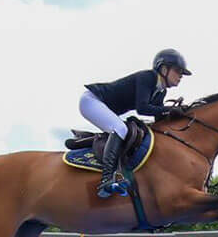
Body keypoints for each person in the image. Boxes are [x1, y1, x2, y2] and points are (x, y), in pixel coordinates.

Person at [81, 49, 192, 198]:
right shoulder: (149, 77)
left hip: (102, 105)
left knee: (130, 133)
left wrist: (177, 116)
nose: (180, 76)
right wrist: (169, 109)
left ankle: (118, 176)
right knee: (120, 128)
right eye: (178, 71)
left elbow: (158, 118)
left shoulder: (161, 92)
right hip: (92, 100)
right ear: (164, 69)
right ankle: (106, 179)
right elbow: (143, 108)